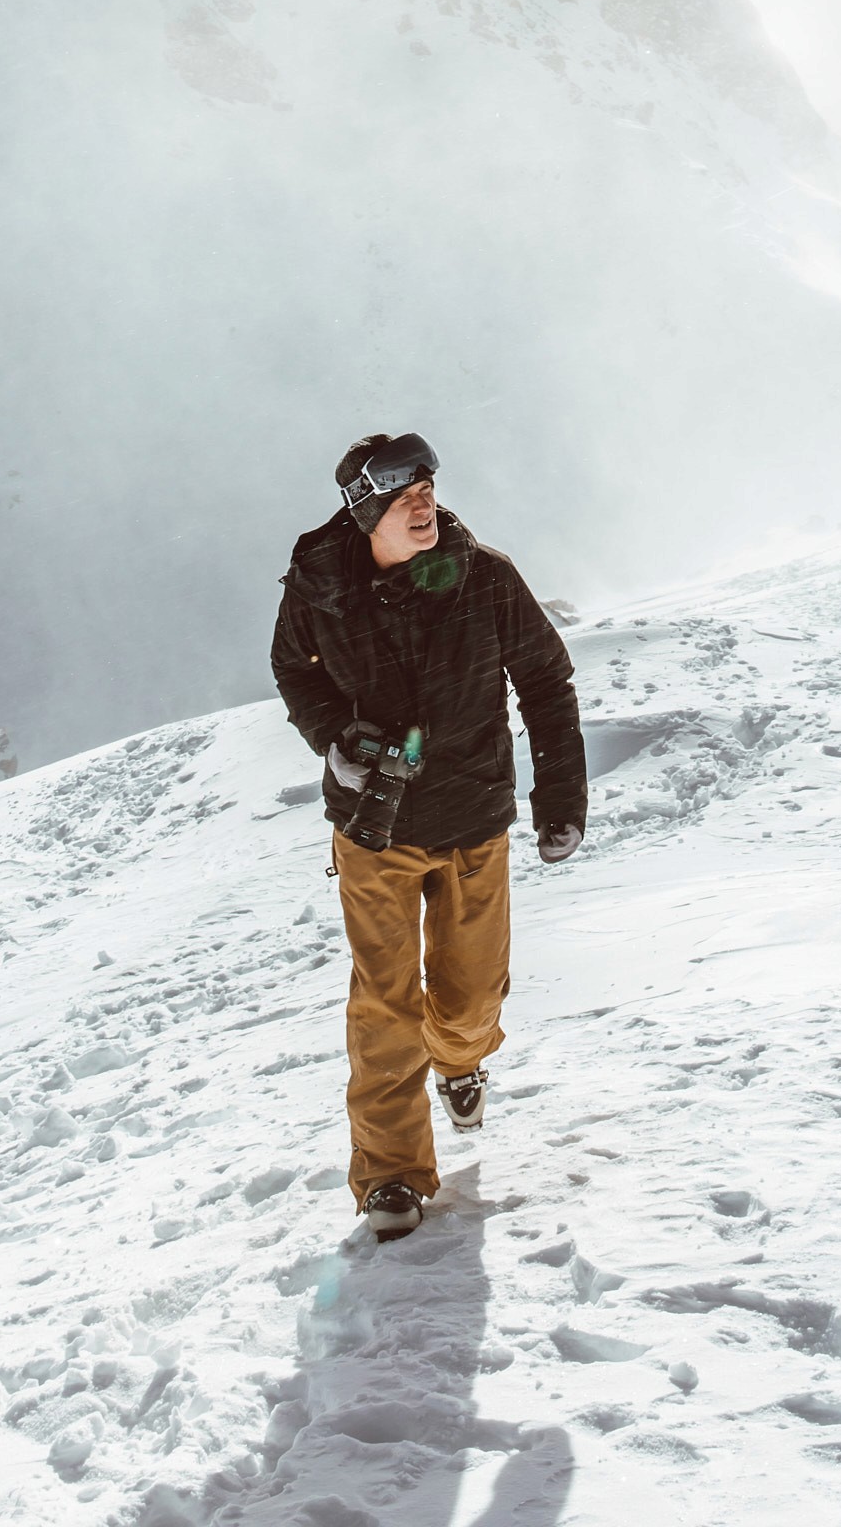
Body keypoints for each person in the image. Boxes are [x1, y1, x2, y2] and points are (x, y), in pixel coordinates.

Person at [271, 432, 587, 1240]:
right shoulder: (318, 585)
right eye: (403, 489)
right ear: (362, 506)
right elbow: (295, 671)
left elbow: (545, 679)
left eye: (429, 484)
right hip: (373, 830)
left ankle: (460, 1057)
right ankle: (391, 1176)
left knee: (469, 1002)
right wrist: (334, 739)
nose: (426, 499)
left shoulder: (483, 577)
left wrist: (560, 798)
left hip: (474, 819)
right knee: (384, 1005)